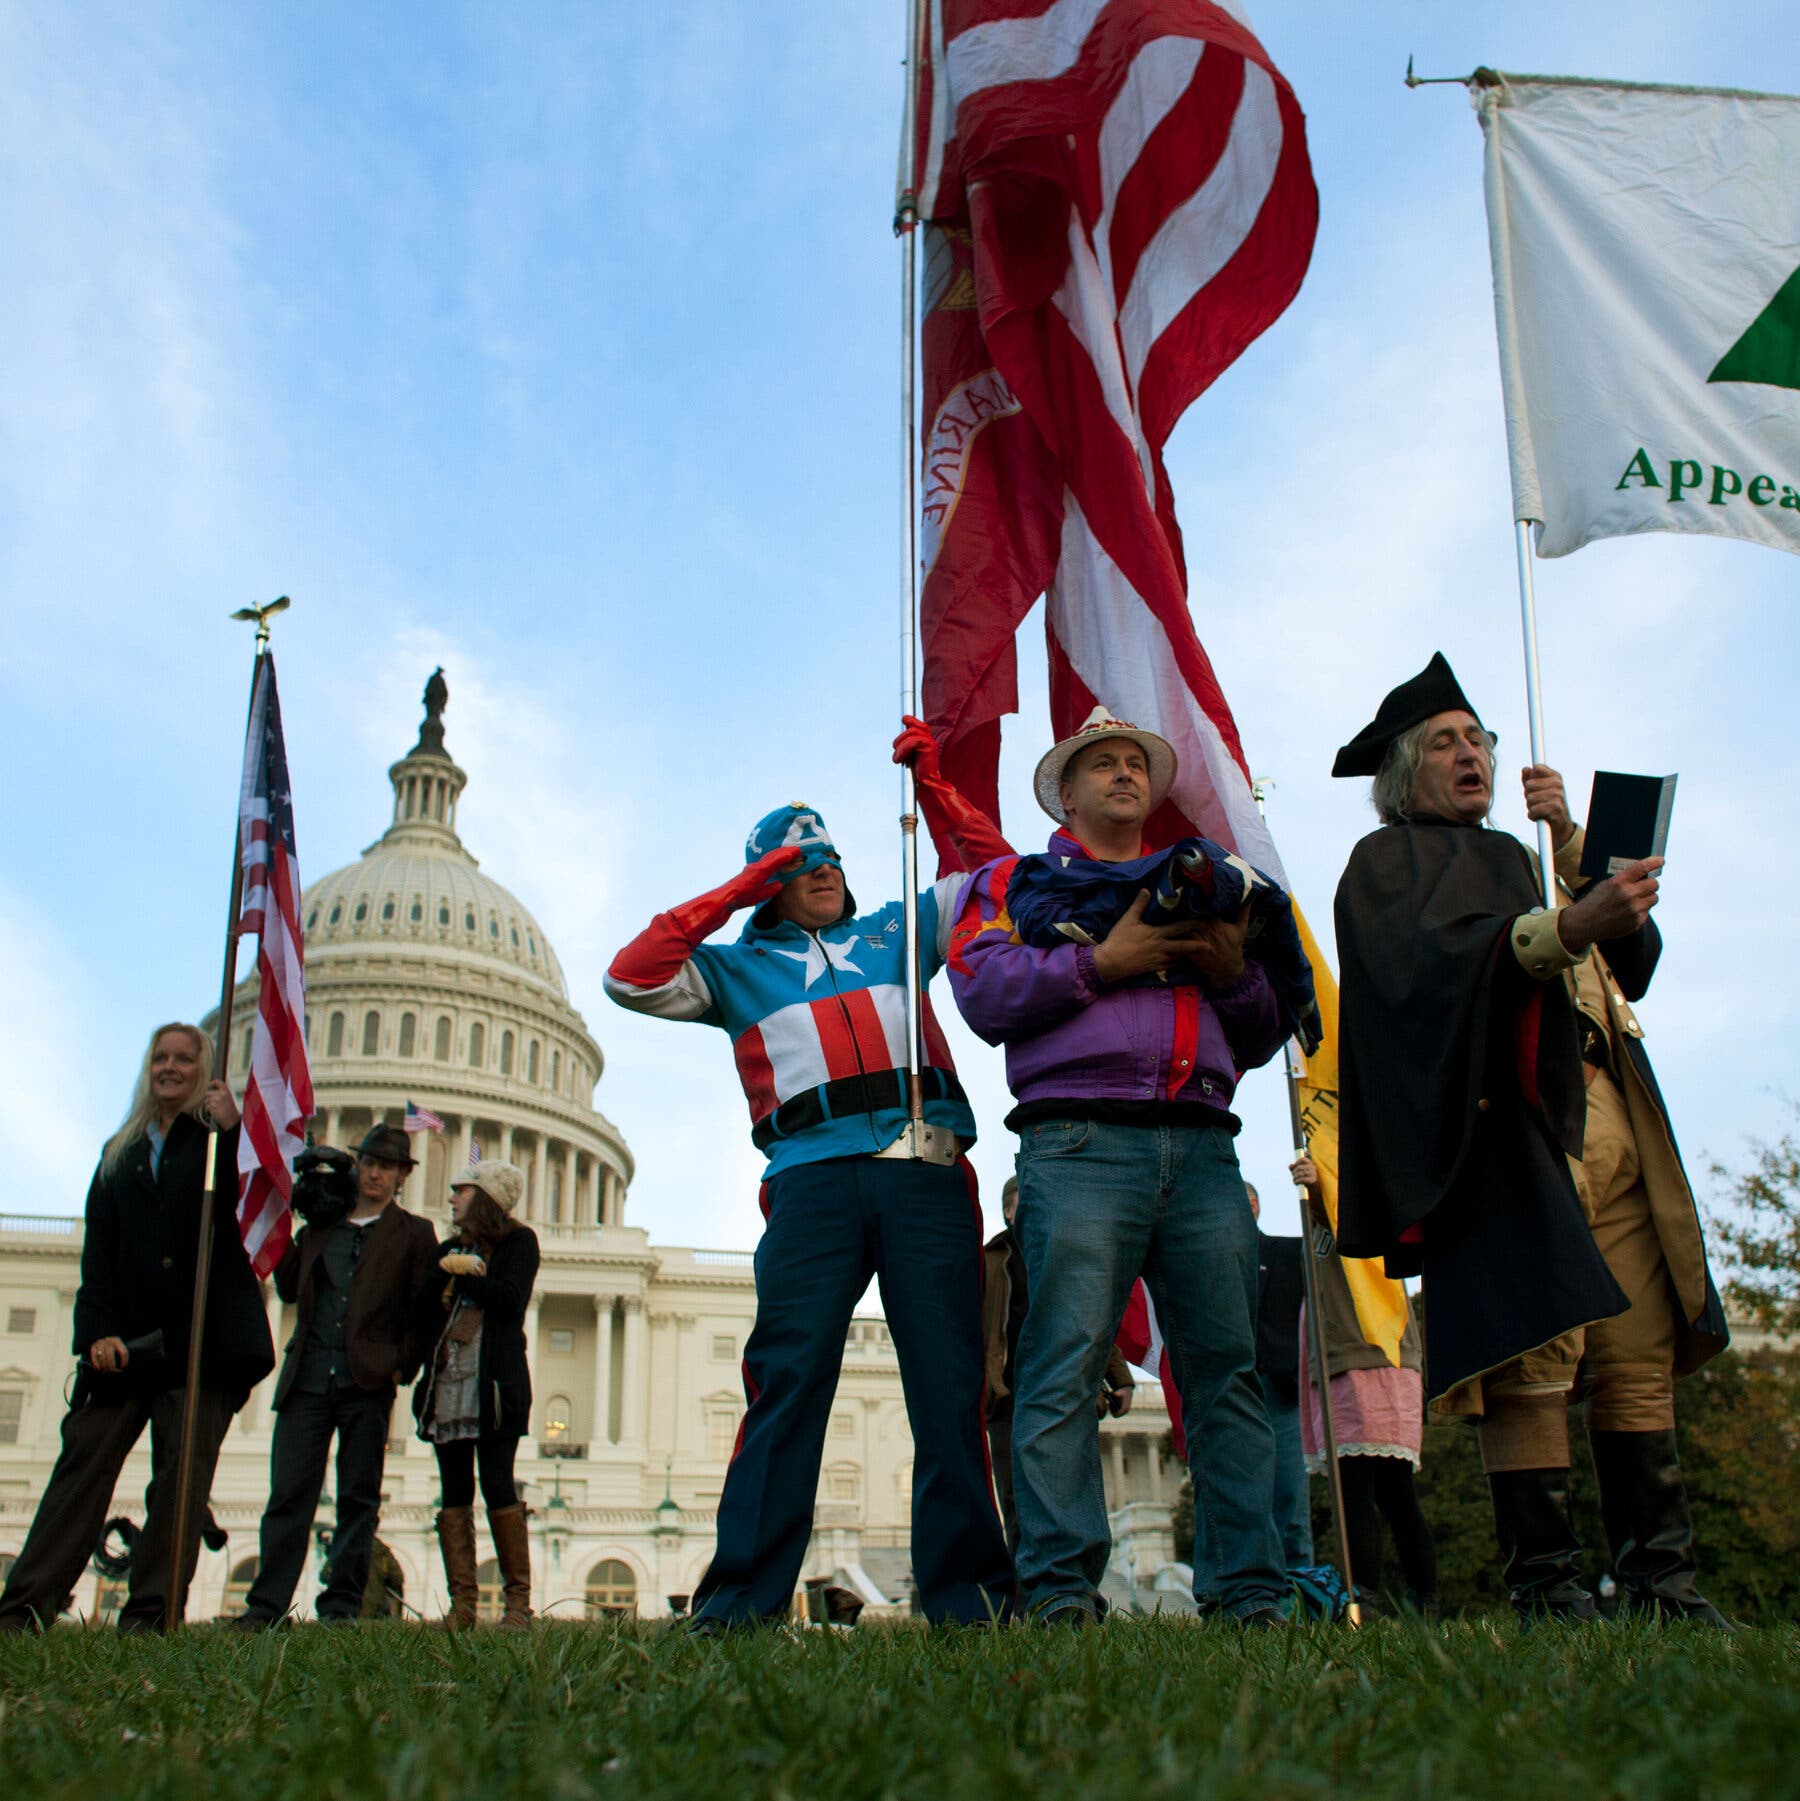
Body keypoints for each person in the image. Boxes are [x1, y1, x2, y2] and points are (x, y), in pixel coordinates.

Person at [1329, 651, 1726, 1621]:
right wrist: (1562, 926)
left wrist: (1569, 839)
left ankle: (1661, 1585)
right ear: (1403, 770)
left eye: (1481, 739)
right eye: (1448, 743)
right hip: (1513, 1133)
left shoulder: (1521, 852)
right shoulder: (1383, 862)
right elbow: (1427, 971)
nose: (1473, 755)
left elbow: (1635, 960)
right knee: (1535, 1358)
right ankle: (1548, 1585)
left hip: (1615, 1111)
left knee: (1634, 1352)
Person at [603, 724, 1014, 1630]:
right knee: (788, 1384)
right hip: (812, 1186)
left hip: (924, 1173)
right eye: (801, 859)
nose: (823, 866)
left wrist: (936, 786)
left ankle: (970, 1599)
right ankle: (740, 1602)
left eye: (829, 852)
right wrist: (743, 887)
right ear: (769, 884)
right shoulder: (733, 968)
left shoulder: (900, 932)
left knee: (946, 1390)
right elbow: (630, 977)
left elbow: (998, 876)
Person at [948, 707, 1292, 1626]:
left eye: (1136, 762)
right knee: (1060, 1368)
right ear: (1065, 789)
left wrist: (1226, 967)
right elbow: (982, 991)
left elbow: (1264, 1025)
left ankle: (1249, 1588)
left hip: (1204, 1137)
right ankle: (1060, 1589)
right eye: (1101, 763)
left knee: (1226, 1372)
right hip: (1079, 1139)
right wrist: (1104, 961)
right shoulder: (1013, 884)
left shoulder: (1214, 886)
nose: (1124, 774)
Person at [0, 1023, 274, 1633]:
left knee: (179, 1487)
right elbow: (98, 1252)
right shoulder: (119, 1150)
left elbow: (259, 1203)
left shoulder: (222, 1143)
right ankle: (24, 1608)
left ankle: (151, 1613)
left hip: (203, 1342)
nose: (170, 1067)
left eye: (184, 1058)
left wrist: (234, 1129)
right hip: (126, 1346)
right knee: (80, 1472)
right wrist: (95, 1330)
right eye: (160, 1057)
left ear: (204, 1071)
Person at [232, 1123, 441, 1629]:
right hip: (307, 1377)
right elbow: (285, 1290)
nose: (374, 1174)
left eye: (386, 1168)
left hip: (366, 1382)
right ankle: (266, 1606)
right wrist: (294, 1215)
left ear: (401, 1177)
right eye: (368, 1163)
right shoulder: (321, 1227)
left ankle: (342, 1603)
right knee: (288, 1495)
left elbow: (426, 1311)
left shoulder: (415, 1235)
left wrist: (400, 1366)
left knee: (358, 1496)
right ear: (357, 1166)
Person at [1289, 1156, 1436, 1615]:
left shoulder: (1367, 1209)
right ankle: (1409, 1595)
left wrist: (1320, 1188)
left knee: (1372, 1490)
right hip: (1341, 1357)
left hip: (1370, 1355)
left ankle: (1367, 1598)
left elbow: (1351, 1218)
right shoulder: (1322, 1225)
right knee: (1384, 1490)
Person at [414, 1159, 539, 1630]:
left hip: (495, 1384)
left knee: (497, 1484)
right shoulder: (447, 1248)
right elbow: (424, 1307)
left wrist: (465, 1276)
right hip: (450, 1379)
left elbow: (510, 1300)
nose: (450, 1199)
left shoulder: (519, 1243)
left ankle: (516, 1604)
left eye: (460, 1191)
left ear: (484, 1198)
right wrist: (443, 1271)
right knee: (454, 1489)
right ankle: (463, 1603)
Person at [984, 1177, 1133, 1555]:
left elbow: (1093, 1317)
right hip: (1007, 1395)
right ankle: (1026, 1597)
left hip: (1062, 1390)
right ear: (1008, 1211)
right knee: (1016, 1497)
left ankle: (1073, 1589)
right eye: (1025, 1203)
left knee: (1068, 1492)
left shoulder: (1064, 1256)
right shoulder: (987, 1261)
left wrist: (1120, 1377)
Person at [1245, 1183, 1312, 1573]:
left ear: (1254, 1204)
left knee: (1289, 1500)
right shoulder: (1207, 1263)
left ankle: (1300, 1591)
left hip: (1280, 1389)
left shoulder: (1290, 1252)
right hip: (1232, 1390)